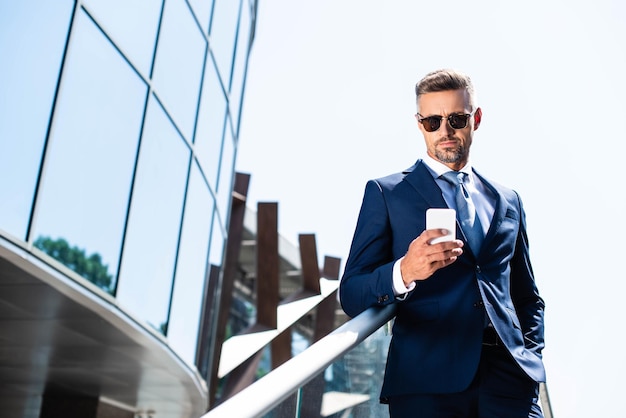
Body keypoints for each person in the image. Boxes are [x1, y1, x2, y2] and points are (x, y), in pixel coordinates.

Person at [339, 69, 546, 417]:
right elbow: (352, 292)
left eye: (456, 118)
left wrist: (530, 356)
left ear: (475, 119)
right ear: (419, 124)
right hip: (426, 384)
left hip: (509, 382)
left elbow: (527, 295)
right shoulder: (387, 193)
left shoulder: (508, 200)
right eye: (433, 121)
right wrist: (404, 271)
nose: (445, 131)